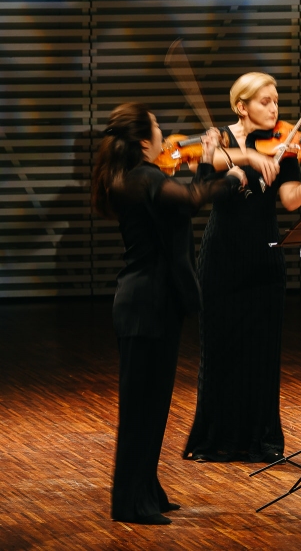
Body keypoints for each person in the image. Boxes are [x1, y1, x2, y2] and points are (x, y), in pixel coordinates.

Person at [183, 72, 301, 462]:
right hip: (222, 256)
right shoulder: (218, 140)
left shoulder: (286, 145)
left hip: (265, 254)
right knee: (220, 349)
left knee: (262, 352)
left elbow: (292, 200)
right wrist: (226, 156)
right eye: (265, 102)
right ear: (241, 106)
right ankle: (217, 440)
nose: (275, 109)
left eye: (276, 101)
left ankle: (260, 440)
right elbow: (202, 185)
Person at [92, 103, 246, 524]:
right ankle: (128, 502)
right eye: (158, 128)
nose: (166, 135)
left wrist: (208, 163)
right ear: (145, 142)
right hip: (146, 303)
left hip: (154, 301)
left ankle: (148, 491)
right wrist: (230, 178)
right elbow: (195, 200)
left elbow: (182, 205)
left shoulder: (140, 178)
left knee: (154, 406)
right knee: (140, 409)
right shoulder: (144, 178)